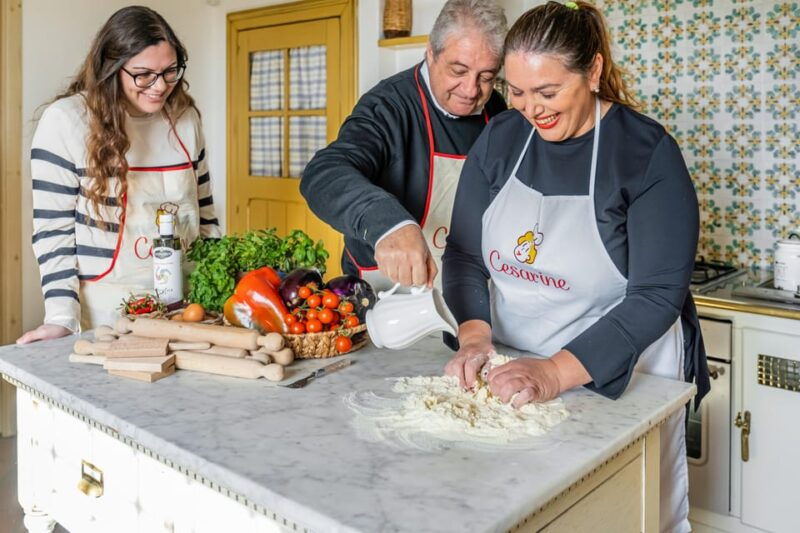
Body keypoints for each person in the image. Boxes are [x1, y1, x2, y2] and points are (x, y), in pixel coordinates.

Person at [441, 2, 709, 532]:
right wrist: (474, 335)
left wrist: (555, 372)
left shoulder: (644, 152)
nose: (529, 109)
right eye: (514, 92)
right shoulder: (499, 140)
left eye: (547, 93)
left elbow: (655, 296)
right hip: (513, 371)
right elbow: (467, 254)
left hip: (621, 372)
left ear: (593, 71)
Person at [17, 6, 220, 344]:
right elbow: (53, 232)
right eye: (143, 75)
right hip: (107, 313)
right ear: (111, 68)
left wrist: (218, 288)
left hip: (188, 307)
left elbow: (206, 213)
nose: (160, 86)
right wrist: (61, 319)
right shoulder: (66, 121)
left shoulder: (185, 118)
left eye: (170, 71)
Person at [301, 0, 508, 292]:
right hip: (389, 292)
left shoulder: (496, 111)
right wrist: (390, 225)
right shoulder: (388, 106)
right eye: (458, 71)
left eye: (486, 77)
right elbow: (323, 173)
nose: (471, 90)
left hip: (469, 287)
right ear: (431, 52)